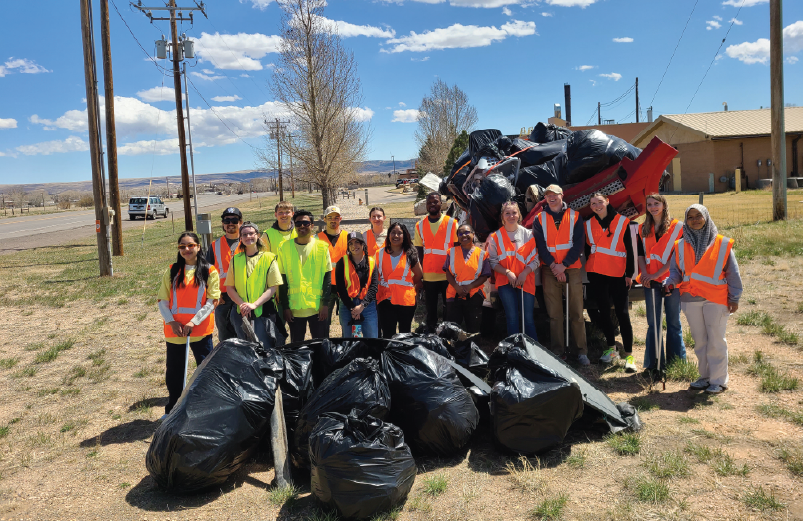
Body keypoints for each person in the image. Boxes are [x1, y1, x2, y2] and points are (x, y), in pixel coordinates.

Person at [664, 204, 742, 394]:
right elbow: (676, 272)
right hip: (690, 299)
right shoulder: (680, 245)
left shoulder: (722, 244)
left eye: (698, 215)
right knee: (700, 341)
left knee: (716, 339)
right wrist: (670, 282)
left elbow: (733, 274)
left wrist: (734, 298)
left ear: (706, 217)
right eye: (690, 217)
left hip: (716, 298)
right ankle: (705, 377)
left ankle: (718, 380)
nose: (695, 220)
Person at [156, 232, 220, 417]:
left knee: (205, 371)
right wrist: (171, 321)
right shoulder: (172, 270)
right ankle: (173, 411)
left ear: (198, 247)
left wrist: (194, 321)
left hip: (199, 330)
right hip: (175, 331)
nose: (186, 249)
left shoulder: (209, 270)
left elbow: (212, 300)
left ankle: (207, 410)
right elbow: (162, 300)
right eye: (182, 246)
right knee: (174, 374)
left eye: (190, 245)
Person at [532, 184, 589, 365]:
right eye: (548, 195)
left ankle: (581, 352)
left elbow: (579, 244)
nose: (552, 198)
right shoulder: (539, 218)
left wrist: (563, 265)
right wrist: (553, 266)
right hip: (549, 269)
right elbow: (540, 245)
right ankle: (558, 352)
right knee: (554, 314)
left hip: (571, 268)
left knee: (577, 313)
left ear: (562, 196)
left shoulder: (575, 216)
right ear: (545, 198)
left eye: (555, 194)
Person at [584, 193, 637, 372]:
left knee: (622, 314)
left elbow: (630, 249)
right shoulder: (588, 224)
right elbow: (587, 249)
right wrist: (590, 273)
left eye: (600, 202)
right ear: (590, 207)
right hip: (597, 275)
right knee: (604, 312)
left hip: (617, 274)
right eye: (593, 203)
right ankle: (611, 349)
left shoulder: (622, 222)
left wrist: (629, 273)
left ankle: (629, 356)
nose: (597, 205)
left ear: (607, 201)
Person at [638, 193, 686, 372]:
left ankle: (677, 364)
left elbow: (677, 256)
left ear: (664, 205)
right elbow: (640, 254)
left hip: (671, 281)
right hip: (650, 282)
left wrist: (657, 274)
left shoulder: (678, 227)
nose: (652, 207)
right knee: (653, 324)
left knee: (673, 322)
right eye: (649, 204)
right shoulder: (643, 228)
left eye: (656, 203)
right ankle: (654, 365)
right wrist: (645, 274)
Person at [226, 222, 285, 349]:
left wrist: (254, 305)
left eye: (251, 233)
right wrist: (242, 304)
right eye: (244, 234)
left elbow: (273, 287)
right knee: (246, 350)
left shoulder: (269, 258)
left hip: (263, 313)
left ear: (257, 235)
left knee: (265, 349)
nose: (248, 237)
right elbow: (229, 287)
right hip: (241, 314)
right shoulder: (235, 260)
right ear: (240, 238)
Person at [279, 209, 333, 343]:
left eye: (305, 223)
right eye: (298, 223)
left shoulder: (322, 247)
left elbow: (327, 277)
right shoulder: (284, 248)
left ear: (312, 225)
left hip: (317, 308)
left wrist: (324, 304)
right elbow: (282, 280)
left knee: (320, 345)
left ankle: (320, 365)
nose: (302, 226)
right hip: (294, 308)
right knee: (296, 346)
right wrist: (285, 307)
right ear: (294, 225)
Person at [489, 201, 540, 340]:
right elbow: (493, 262)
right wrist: (507, 273)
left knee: (528, 319)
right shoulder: (495, 237)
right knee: (512, 318)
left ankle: (534, 352)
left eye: (514, 213)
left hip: (525, 281)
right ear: (502, 217)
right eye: (507, 213)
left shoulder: (528, 235)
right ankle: (514, 351)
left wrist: (524, 273)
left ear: (519, 215)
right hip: (505, 282)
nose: (511, 216)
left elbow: (535, 260)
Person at [414, 192, 458, 333]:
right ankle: (431, 332)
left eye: (435, 201)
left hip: (448, 274)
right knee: (431, 308)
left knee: (449, 307)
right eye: (429, 202)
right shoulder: (420, 225)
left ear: (441, 204)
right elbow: (419, 251)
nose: (432, 204)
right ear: (426, 205)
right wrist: (420, 274)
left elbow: (457, 249)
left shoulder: (452, 223)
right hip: (429, 275)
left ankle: (447, 332)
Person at [378, 222, 424, 337]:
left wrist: (407, 285)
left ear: (405, 236)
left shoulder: (410, 253)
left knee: (405, 334)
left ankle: (403, 355)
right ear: (388, 235)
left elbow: (419, 274)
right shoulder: (380, 253)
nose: (396, 236)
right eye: (393, 232)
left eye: (400, 233)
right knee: (388, 335)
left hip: (405, 301)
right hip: (385, 300)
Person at [444, 224, 491, 333]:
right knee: (452, 329)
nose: (464, 235)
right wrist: (457, 287)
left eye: (467, 232)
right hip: (454, 294)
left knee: (473, 329)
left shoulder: (482, 254)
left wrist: (469, 287)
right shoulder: (451, 252)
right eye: (460, 233)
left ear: (473, 234)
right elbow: (448, 273)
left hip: (474, 294)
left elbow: (485, 275)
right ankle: (453, 349)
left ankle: (472, 349)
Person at [335, 232, 379, 338]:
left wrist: (362, 306)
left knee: (372, 338)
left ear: (363, 244)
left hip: (367, 306)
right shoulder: (342, 262)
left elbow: (374, 286)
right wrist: (353, 309)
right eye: (351, 244)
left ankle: (370, 355)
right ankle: (354, 355)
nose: (354, 246)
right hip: (347, 306)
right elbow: (340, 288)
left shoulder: (371, 262)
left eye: (357, 242)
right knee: (352, 339)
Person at [207, 207, 242, 343]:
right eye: (227, 220)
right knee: (225, 334)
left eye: (234, 220)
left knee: (244, 332)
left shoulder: (247, 242)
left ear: (240, 222)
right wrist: (214, 293)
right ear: (222, 223)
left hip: (243, 295)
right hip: (223, 298)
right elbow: (207, 272)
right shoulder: (214, 245)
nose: (230, 223)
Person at [317, 206, 349, 334]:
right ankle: (323, 348)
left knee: (349, 322)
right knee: (322, 322)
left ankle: (350, 347)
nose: (333, 220)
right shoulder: (316, 239)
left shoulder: (348, 237)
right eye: (330, 217)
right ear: (324, 219)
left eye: (336, 217)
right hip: (325, 288)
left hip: (346, 286)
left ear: (340, 219)